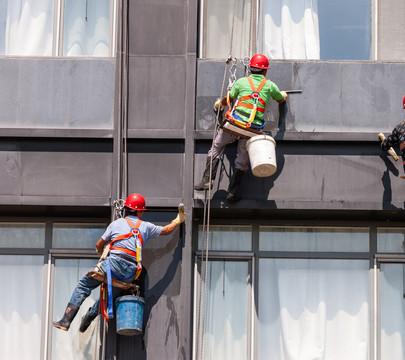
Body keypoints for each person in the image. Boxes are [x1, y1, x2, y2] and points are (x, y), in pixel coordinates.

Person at [52, 193, 185, 332]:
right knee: (107, 297)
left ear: (126, 209)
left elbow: (99, 244)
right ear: (139, 211)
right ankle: (90, 316)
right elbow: (166, 230)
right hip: (131, 273)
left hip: (113, 266)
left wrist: (99, 250)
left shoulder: (115, 224)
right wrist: (178, 220)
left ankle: (66, 320)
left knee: (84, 285)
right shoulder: (145, 226)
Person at [194, 53, 287, 201]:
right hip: (252, 131)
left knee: (216, 147)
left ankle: (206, 181)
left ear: (250, 69)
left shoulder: (241, 82)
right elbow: (280, 99)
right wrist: (283, 95)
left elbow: (228, 99)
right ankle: (232, 192)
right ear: (265, 71)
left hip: (235, 125)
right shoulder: (270, 86)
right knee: (242, 160)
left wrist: (219, 104)